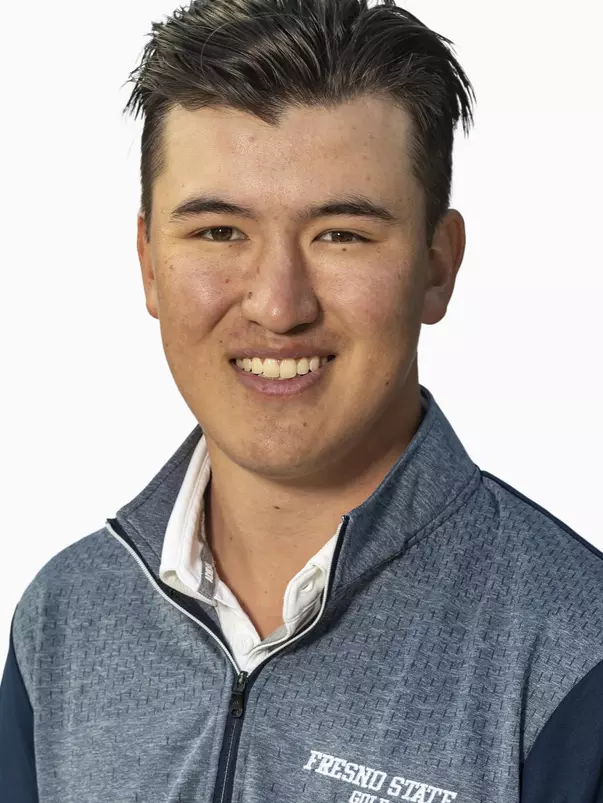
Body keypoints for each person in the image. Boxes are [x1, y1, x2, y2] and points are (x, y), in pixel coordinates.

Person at [1, 0, 601, 800]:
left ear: (436, 265)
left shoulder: (573, 653)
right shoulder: (65, 621)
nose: (278, 305)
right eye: (219, 231)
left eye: (341, 234)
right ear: (148, 262)